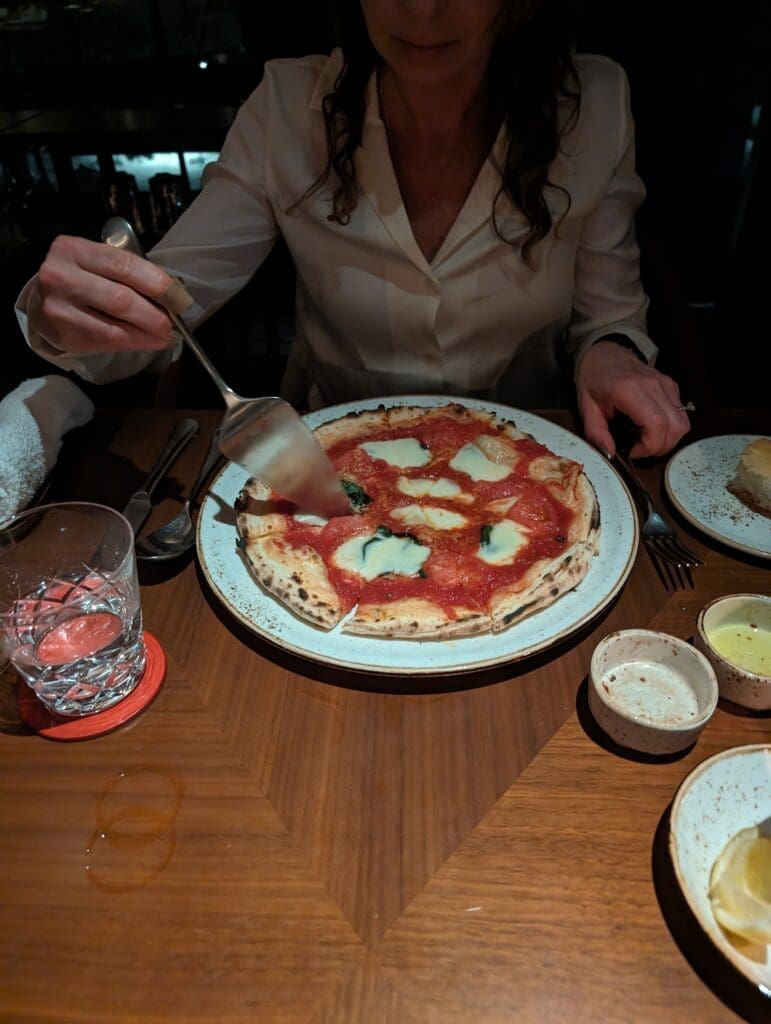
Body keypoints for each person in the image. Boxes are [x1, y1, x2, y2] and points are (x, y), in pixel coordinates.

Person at [15, 0, 691, 460]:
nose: (422, 11)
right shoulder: (287, 106)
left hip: (531, 456)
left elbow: (610, 314)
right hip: (338, 461)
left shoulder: (593, 102)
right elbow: (163, 311)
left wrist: (608, 351)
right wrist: (76, 312)